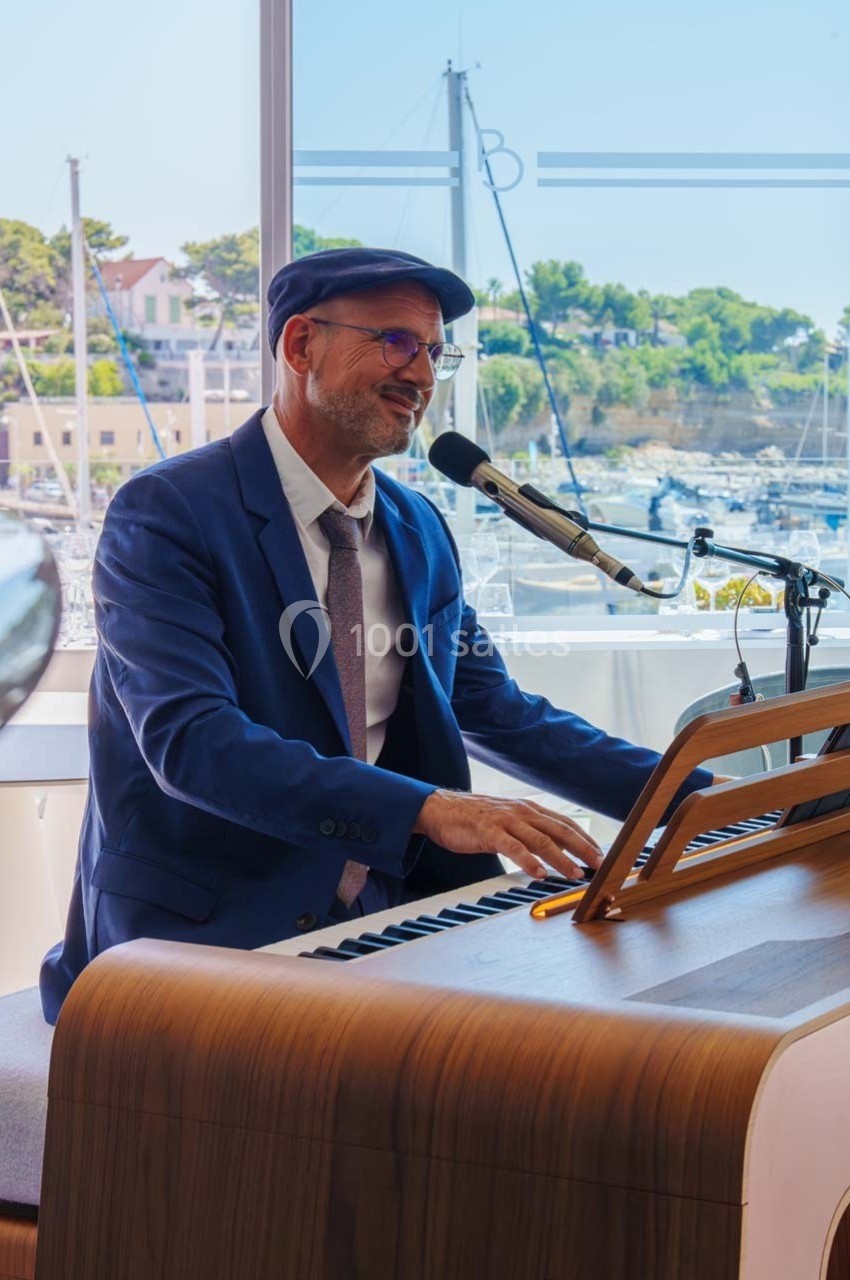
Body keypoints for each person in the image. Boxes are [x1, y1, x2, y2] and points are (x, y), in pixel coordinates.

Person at [39, 248, 714, 1024]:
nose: (422, 376)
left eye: (434, 352)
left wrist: (698, 797)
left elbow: (499, 711)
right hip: (197, 940)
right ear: (300, 347)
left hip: (385, 919)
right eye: (395, 342)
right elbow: (193, 743)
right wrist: (430, 809)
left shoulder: (418, 527)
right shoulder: (167, 514)